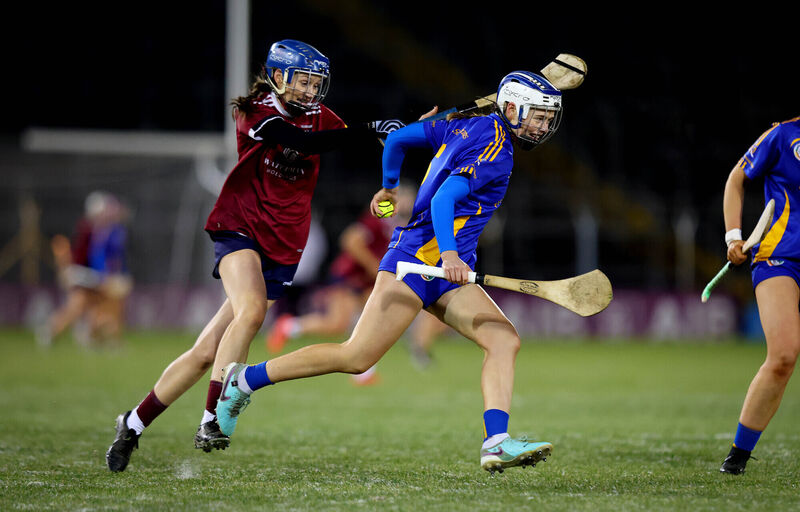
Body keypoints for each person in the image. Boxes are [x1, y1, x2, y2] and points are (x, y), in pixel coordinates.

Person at [215, 70, 565, 474]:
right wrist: (450, 255)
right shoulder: (496, 151)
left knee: (503, 339)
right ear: (511, 108)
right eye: (537, 116)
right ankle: (244, 381)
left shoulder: (467, 124)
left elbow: (397, 139)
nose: (543, 127)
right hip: (417, 262)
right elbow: (444, 199)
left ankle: (496, 442)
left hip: (443, 268)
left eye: (547, 118)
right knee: (355, 357)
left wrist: (389, 187)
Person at [105, 39, 413, 472]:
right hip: (239, 226)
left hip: (283, 243)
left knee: (206, 352)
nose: (310, 91)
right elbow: (303, 142)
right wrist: (371, 127)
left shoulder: (321, 117)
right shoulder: (254, 110)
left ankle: (132, 423)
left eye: (316, 84)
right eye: (303, 81)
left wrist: (410, 133)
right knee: (250, 312)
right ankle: (212, 419)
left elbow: (361, 140)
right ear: (279, 76)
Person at [265, 184, 417, 385]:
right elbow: (350, 241)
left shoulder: (406, 226)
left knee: (371, 323)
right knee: (337, 324)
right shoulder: (379, 219)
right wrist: (375, 267)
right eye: (404, 198)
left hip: (368, 280)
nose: (408, 203)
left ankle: (363, 373)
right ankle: (289, 326)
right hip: (349, 276)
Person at [719, 115, 800, 475]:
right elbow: (736, 179)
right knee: (783, 355)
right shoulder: (783, 135)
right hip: (781, 257)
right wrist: (733, 236)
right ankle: (738, 456)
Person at [39, 191, 132, 347]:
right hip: (82, 274)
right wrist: (105, 277)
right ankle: (88, 334)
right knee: (89, 303)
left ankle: (88, 334)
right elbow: (88, 257)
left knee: (85, 305)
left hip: (87, 275)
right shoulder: (88, 230)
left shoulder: (103, 230)